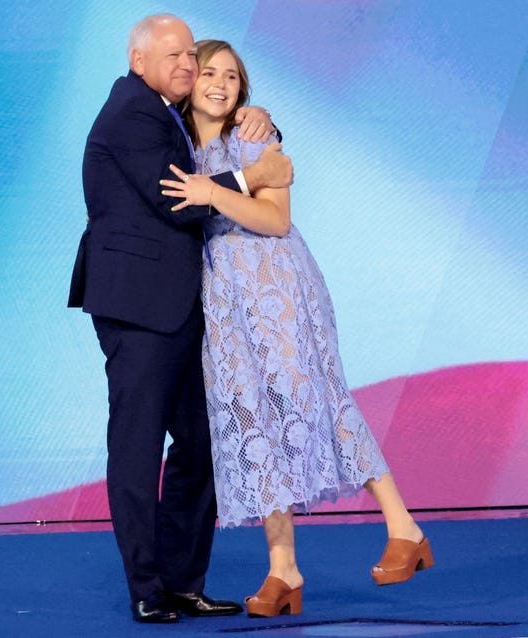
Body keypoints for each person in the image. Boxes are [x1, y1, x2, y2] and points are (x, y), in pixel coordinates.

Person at [160, 39, 434, 619]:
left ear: (243, 89)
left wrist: (214, 190)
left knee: (314, 399)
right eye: (208, 72)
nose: (219, 83)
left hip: (277, 288)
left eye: (232, 77)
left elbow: (276, 217)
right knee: (252, 419)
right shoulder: (176, 140)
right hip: (222, 301)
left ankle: (404, 527)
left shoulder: (254, 134)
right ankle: (283, 568)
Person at [67, 16, 293, 624]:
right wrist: (254, 176)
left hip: (181, 307)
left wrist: (258, 115)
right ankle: (147, 587)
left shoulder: (166, 111)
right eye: (173, 57)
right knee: (137, 447)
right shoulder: (133, 111)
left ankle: (182, 582)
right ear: (137, 60)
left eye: (192, 55)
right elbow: (177, 195)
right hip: (138, 307)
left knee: (203, 442)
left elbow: (217, 127)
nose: (188, 66)